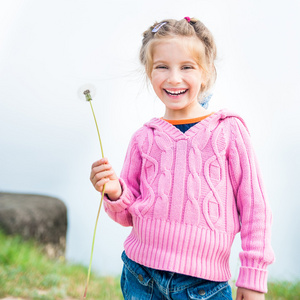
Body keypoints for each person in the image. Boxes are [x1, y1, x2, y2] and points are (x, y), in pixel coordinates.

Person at [90, 17, 274, 300]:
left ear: (206, 72)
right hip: (141, 276)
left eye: (187, 67)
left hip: (205, 286)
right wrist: (115, 191)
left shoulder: (229, 131)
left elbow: (255, 209)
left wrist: (252, 277)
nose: (173, 78)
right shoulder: (144, 137)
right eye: (161, 66)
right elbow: (127, 214)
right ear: (149, 72)